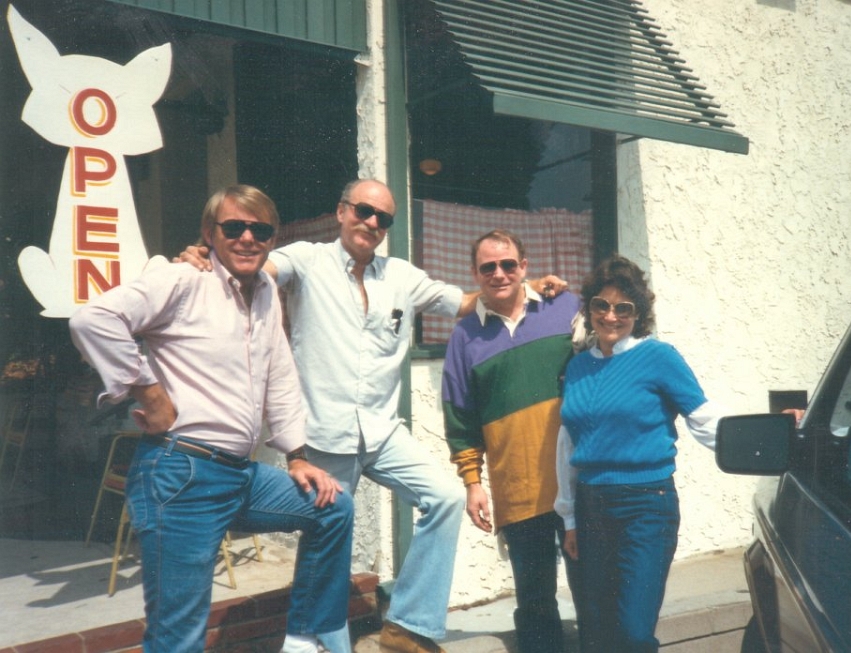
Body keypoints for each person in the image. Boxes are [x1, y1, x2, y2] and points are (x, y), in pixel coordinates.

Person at [178, 179, 566, 653]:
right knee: (327, 540)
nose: (373, 223)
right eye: (364, 212)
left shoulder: (401, 276)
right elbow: (257, 266)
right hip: (324, 434)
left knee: (445, 496)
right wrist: (205, 256)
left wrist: (524, 285)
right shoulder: (307, 259)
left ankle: (408, 626)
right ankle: (323, 644)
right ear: (341, 212)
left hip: (382, 433)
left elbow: (467, 302)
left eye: (384, 218)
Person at [69, 185, 354, 653]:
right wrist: (148, 391)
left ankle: (304, 641)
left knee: (332, 507)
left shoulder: (264, 289)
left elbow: (279, 374)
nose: (247, 238)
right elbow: (93, 320)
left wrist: (298, 456)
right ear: (209, 233)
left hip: (239, 474)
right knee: (178, 635)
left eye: (260, 230)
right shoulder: (182, 278)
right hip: (181, 472)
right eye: (234, 227)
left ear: (272, 238)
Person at [554, 255, 721, 653]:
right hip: (591, 507)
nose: (610, 316)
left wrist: (772, 440)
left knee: (632, 632)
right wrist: (570, 519)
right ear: (589, 308)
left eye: (623, 308)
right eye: (601, 305)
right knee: (595, 632)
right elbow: (568, 446)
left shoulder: (658, 357)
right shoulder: (577, 368)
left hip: (646, 507)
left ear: (638, 314)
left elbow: (705, 420)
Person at [441, 230, 582, 653]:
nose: (499, 274)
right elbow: (460, 417)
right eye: (488, 267)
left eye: (508, 264)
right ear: (475, 275)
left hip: (578, 481)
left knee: (593, 591)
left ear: (524, 266)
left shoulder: (567, 309)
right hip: (517, 488)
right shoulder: (464, 338)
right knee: (535, 604)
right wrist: (472, 482)